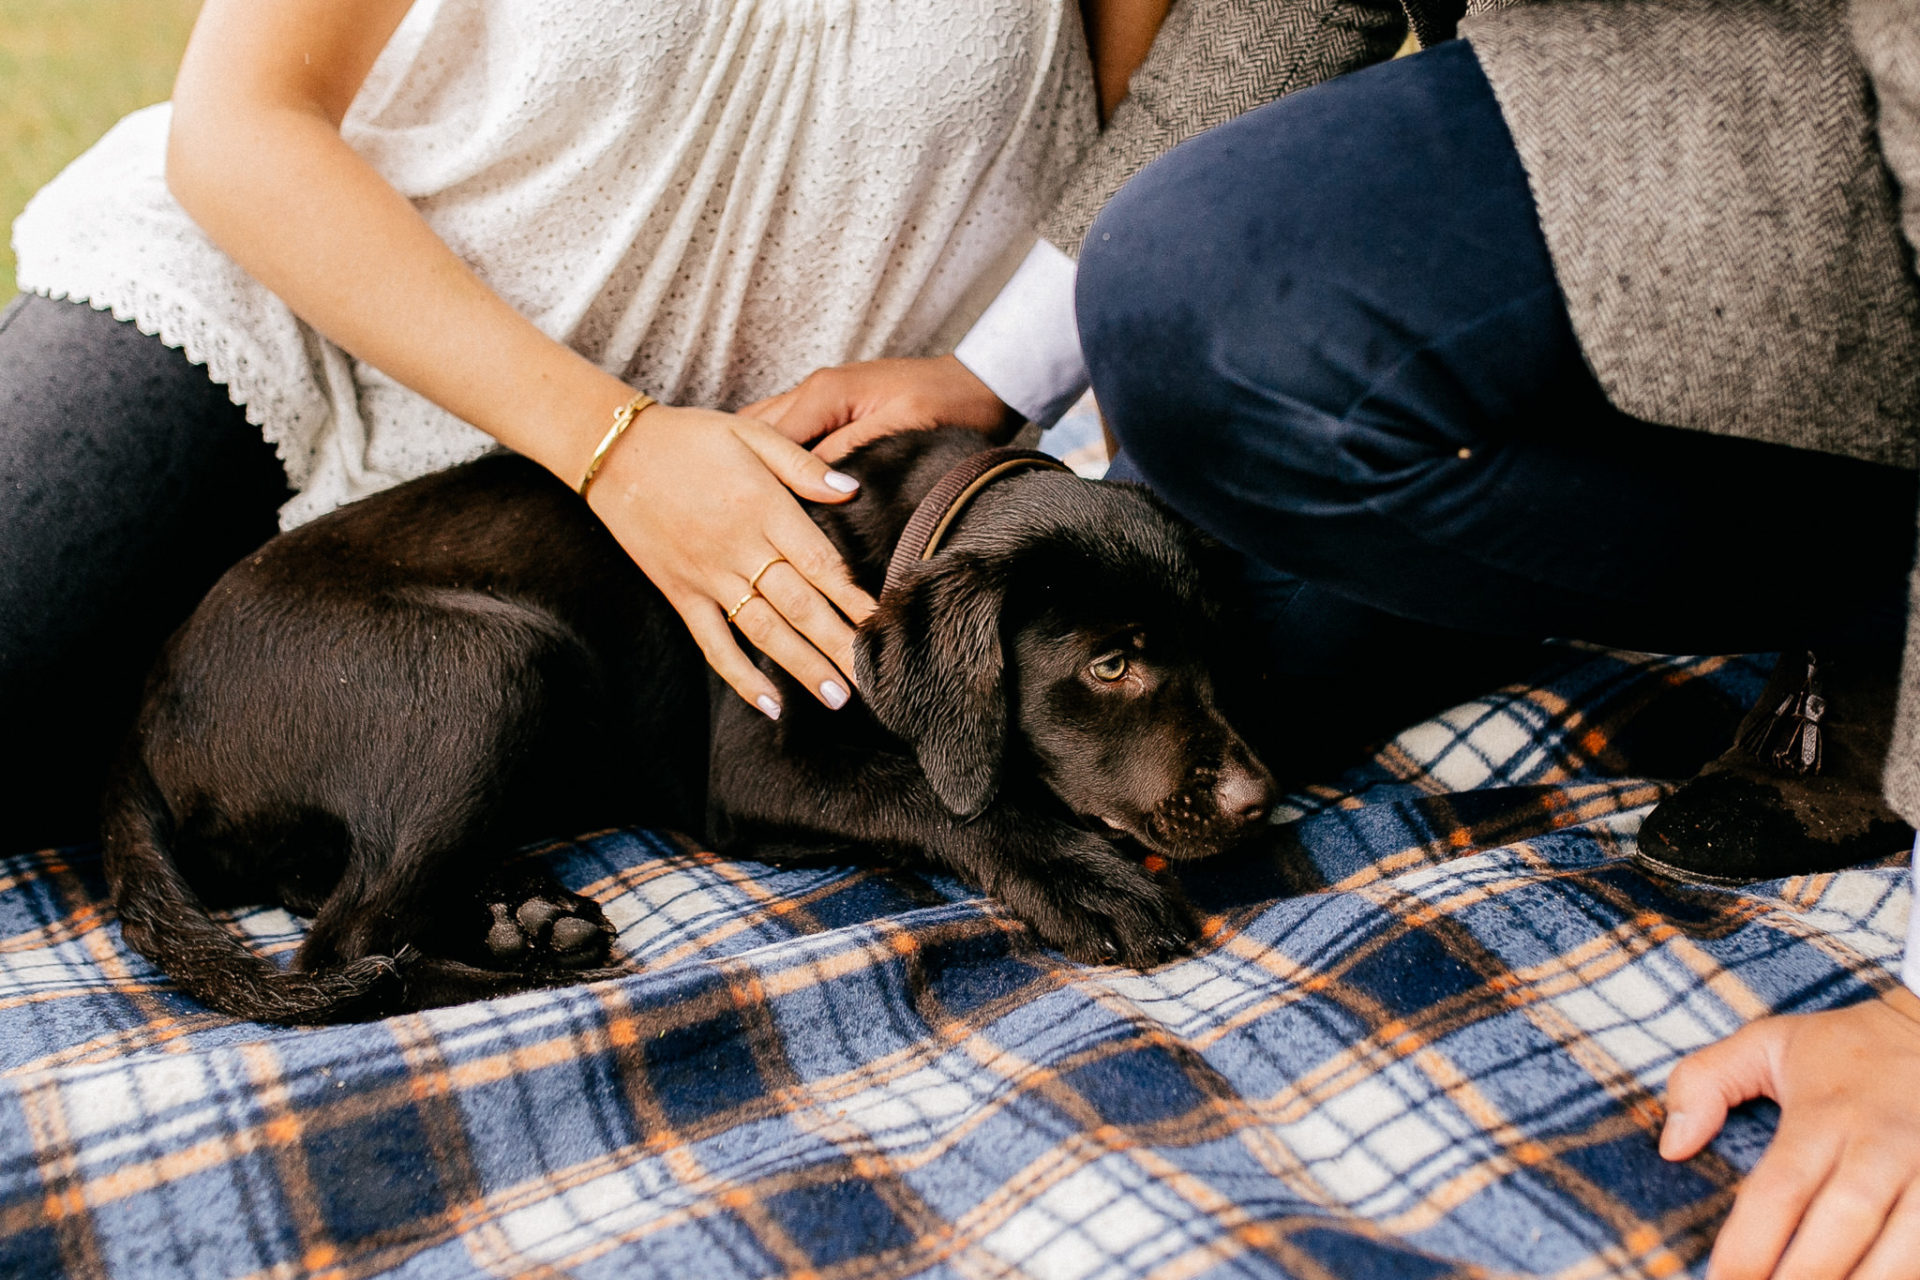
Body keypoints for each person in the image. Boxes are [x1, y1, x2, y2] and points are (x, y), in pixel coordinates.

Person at [755, 0, 1920, 1274]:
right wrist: (997, 369)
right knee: (1248, 622)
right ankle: (1797, 531)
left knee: (1194, 296)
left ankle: (1878, 585)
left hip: (1847, 116)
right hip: (1571, 93)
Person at [3, 0, 1412, 850]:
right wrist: (614, 443)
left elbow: (1149, 132)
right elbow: (240, 123)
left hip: (756, 507)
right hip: (315, 323)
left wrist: (991, 368)